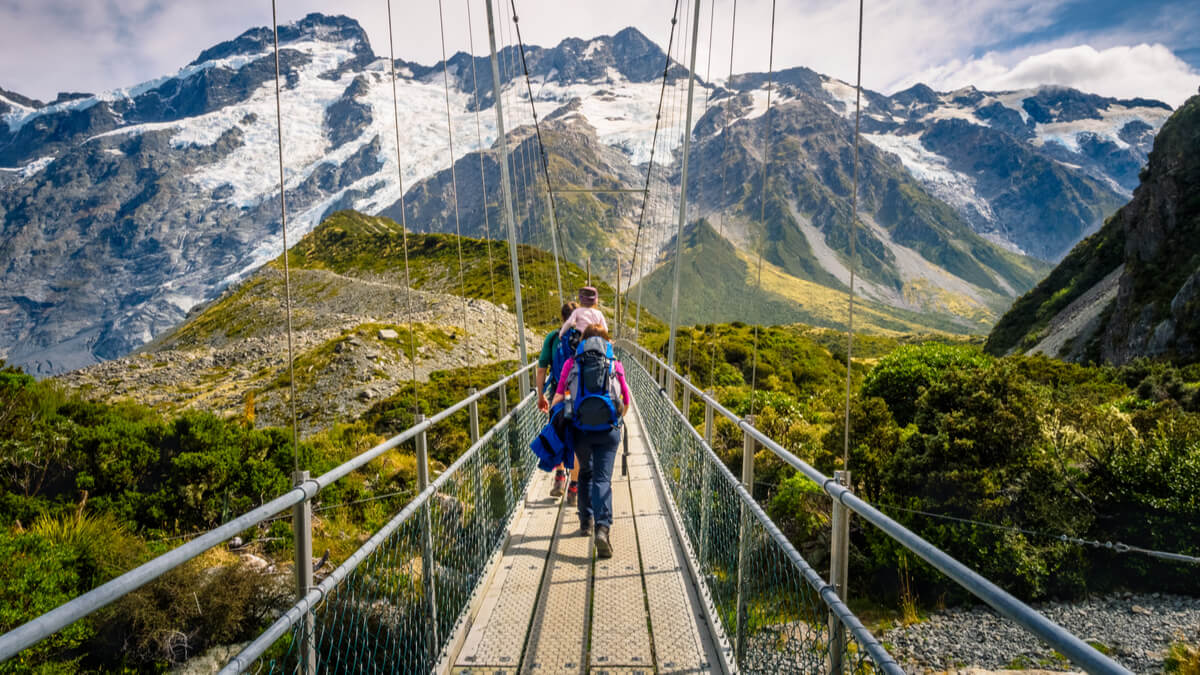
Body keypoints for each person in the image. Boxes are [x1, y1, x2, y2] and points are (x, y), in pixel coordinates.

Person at [550, 325, 629, 559]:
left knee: (585, 473)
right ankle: (603, 529)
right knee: (602, 478)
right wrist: (616, 420)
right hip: (609, 431)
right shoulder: (615, 364)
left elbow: (558, 398)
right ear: (606, 342)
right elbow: (625, 400)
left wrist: (560, 417)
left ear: (582, 341)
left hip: (580, 429)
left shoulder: (570, 364)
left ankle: (585, 523)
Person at [536, 302, 580, 501]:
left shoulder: (554, 338)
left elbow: (541, 368)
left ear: (562, 318)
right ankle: (574, 487)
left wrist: (540, 395)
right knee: (578, 439)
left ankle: (560, 477)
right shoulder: (584, 337)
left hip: (559, 395)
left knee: (558, 433)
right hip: (580, 396)